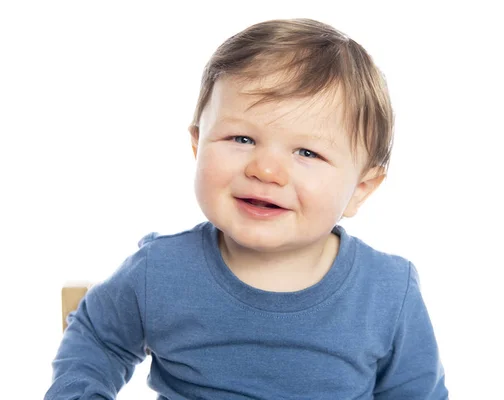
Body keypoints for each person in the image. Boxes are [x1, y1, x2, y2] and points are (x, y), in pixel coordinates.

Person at [45, 18, 448, 399]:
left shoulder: (388, 292)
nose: (266, 169)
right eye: (241, 139)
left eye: (307, 152)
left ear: (361, 188)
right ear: (197, 145)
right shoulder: (158, 271)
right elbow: (97, 340)